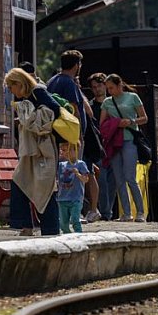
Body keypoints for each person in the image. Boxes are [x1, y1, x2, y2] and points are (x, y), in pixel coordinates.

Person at [4, 68, 61, 236]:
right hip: (32, 150)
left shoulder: (38, 92)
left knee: (45, 187)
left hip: (43, 149)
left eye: (11, 87)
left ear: (19, 83)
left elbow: (54, 110)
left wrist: (30, 117)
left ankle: (49, 229)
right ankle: (27, 226)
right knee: (19, 182)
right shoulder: (30, 96)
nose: (11, 91)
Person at [46, 50, 100, 223]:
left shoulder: (52, 81)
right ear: (77, 65)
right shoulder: (68, 83)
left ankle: (63, 212)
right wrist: (77, 136)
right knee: (75, 174)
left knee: (61, 175)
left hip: (57, 134)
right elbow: (75, 109)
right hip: (70, 135)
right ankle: (74, 213)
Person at [98, 74, 148, 222]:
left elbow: (144, 118)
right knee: (119, 179)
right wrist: (115, 124)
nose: (110, 91)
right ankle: (126, 213)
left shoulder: (132, 97)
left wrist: (131, 121)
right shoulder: (107, 102)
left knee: (130, 177)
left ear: (120, 85)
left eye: (111, 88)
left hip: (129, 140)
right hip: (114, 142)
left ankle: (140, 212)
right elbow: (102, 123)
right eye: (108, 89)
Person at [88, 72, 116, 220]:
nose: (97, 89)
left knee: (114, 181)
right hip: (99, 147)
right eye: (94, 87)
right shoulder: (91, 106)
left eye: (99, 85)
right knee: (103, 180)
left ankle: (108, 211)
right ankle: (106, 213)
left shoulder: (114, 103)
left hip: (114, 145)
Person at [56, 142, 90, 234]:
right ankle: (68, 235)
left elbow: (86, 179)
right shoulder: (61, 165)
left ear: (77, 150)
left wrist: (78, 174)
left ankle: (79, 235)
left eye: (70, 150)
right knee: (63, 223)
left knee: (75, 219)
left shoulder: (81, 164)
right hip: (62, 198)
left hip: (76, 198)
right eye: (64, 150)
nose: (67, 152)